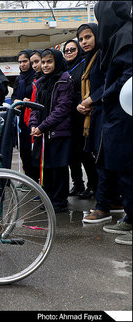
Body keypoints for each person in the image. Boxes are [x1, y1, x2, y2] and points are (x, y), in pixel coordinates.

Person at [93, 1, 132, 245]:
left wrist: (106, 94)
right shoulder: (120, 35)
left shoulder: (126, 35)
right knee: (120, 166)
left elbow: (129, 75)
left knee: (128, 166)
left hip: (125, 113)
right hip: (116, 112)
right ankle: (130, 216)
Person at [76, 23, 122, 224]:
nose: (84, 42)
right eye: (81, 39)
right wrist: (83, 104)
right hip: (95, 114)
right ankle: (113, 200)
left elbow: (109, 82)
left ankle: (103, 207)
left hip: (107, 113)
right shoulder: (88, 59)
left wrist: (92, 100)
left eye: (88, 37)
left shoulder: (103, 54)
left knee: (102, 160)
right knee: (101, 159)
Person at [29, 49, 74, 213]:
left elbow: (62, 109)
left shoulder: (64, 80)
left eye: (49, 62)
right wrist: (33, 124)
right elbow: (35, 107)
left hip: (58, 132)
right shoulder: (41, 82)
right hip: (42, 133)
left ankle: (60, 202)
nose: (45, 65)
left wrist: (43, 126)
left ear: (56, 62)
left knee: (58, 168)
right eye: (43, 62)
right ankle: (48, 199)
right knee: (45, 167)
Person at [63, 40, 97, 199]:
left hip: (82, 115)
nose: (69, 52)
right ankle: (77, 184)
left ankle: (92, 185)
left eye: (72, 49)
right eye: (66, 50)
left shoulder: (83, 65)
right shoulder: (64, 68)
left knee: (84, 153)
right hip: (68, 117)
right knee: (71, 154)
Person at [11, 49, 38, 185]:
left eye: (25, 61)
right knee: (24, 150)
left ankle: (35, 180)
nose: (22, 64)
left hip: (33, 118)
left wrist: (30, 100)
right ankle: (28, 178)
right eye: (20, 62)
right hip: (21, 119)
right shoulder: (19, 78)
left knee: (33, 150)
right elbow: (14, 95)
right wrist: (16, 101)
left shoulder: (36, 77)